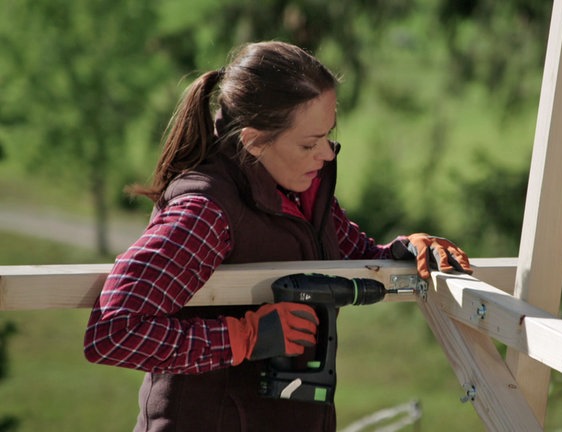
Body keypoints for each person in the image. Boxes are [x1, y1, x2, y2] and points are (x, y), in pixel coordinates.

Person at [83, 40, 472, 432]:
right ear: (253, 141)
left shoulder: (301, 190)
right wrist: (245, 337)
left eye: (327, 135)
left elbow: (357, 257)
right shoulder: (204, 211)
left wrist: (409, 250)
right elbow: (114, 332)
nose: (327, 155)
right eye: (308, 144)